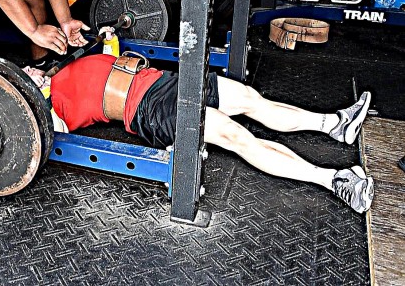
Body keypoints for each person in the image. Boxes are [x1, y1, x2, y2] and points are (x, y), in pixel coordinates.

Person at [24, 47, 375, 214]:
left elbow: (111, 53)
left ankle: (334, 124)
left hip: (164, 81)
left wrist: (105, 39)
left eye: (28, 66)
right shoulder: (51, 111)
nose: (30, 69)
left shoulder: (67, 64)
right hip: (151, 111)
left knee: (252, 99)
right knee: (239, 138)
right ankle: (335, 180)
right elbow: (37, 135)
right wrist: (34, 102)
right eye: (24, 76)